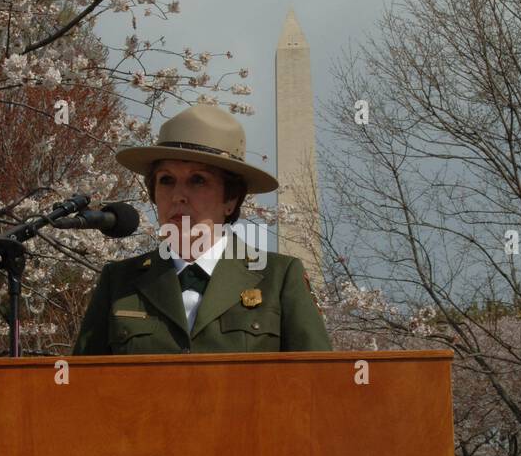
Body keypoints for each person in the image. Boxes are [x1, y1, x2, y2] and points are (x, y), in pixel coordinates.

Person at [72, 103, 331, 355]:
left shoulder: (278, 278)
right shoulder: (119, 282)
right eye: (166, 180)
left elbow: (319, 383)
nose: (178, 196)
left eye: (198, 180)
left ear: (230, 200)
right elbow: (78, 389)